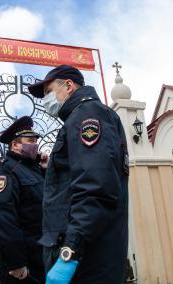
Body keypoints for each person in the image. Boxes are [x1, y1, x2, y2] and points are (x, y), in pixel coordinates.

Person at [28, 65, 129, 283]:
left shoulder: (88, 114)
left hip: (87, 260)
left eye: (48, 91)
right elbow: (82, 176)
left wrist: (70, 253)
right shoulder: (79, 116)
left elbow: (96, 189)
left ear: (69, 86)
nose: (45, 99)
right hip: (86, 253)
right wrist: (53, 169)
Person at [0, 116, 48, 283]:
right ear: (15, 144)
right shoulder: (5, 171)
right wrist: (16, 262)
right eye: (30, 140)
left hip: (42, 256)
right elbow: (2, 219)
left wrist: (45, 170)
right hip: (23, 266)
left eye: (35, 140)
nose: (35, 144)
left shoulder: (35, 170)